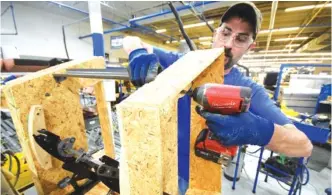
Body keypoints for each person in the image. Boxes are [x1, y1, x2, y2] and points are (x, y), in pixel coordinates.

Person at [123, 2, 313, 194]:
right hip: (156, 165)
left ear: (250, 46)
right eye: (226, 32)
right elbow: (131, 39)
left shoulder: (249, 90)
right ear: (216, 33)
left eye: (241, 38)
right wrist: (137, 53)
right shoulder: (181, 63)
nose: (229, 44)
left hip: (197, 181)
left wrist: (257, 130)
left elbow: (304, 145)